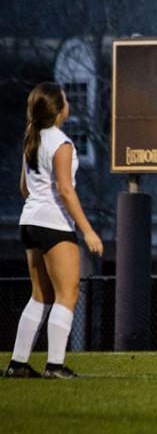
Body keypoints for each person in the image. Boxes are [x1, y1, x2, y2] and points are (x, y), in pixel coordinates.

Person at [4, 82, 103, 379]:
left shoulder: (31, 140)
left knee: (40, 296)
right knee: (67, 295)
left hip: (29, 221)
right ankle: (55, 366)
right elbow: (65, 189)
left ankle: (18, 364)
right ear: (60, 109)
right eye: (65, 99)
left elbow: (24, 188)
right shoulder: (61, 143)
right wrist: (88, 231)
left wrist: (39, 207)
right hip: (53, 224)